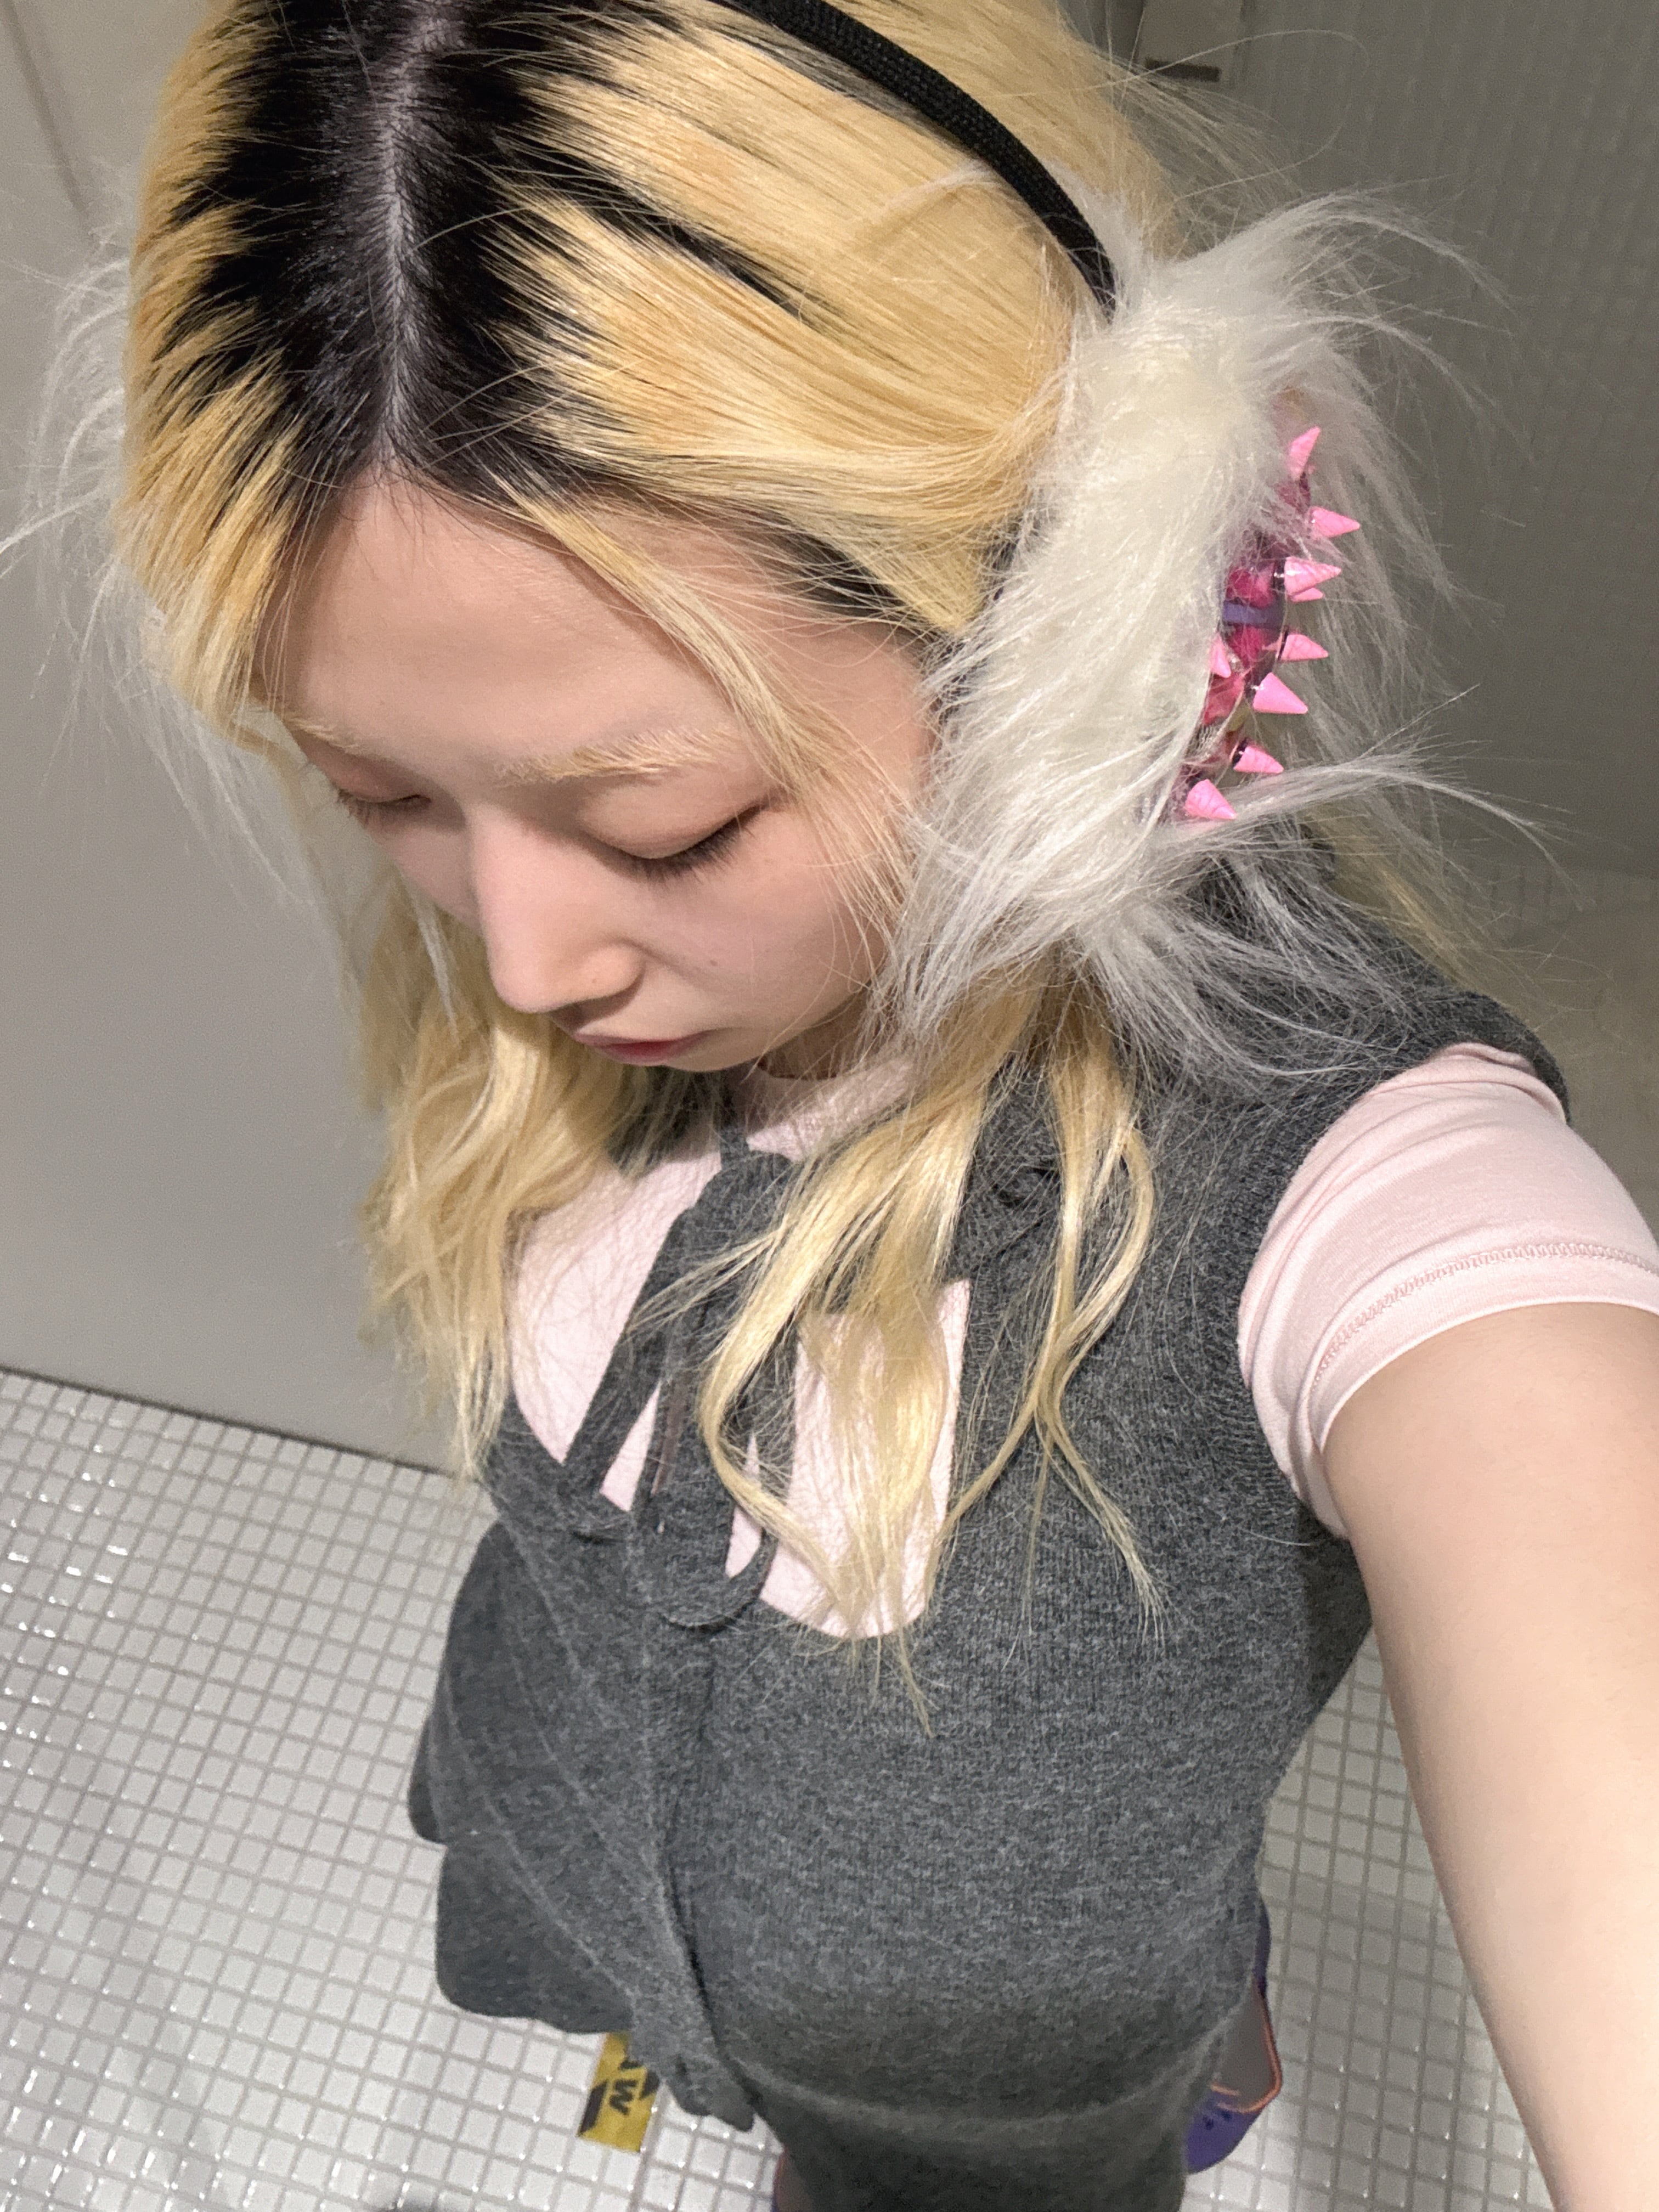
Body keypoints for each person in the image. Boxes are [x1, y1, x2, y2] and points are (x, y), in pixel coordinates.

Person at [109, 2, 1659, 2207]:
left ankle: (1209, 2026)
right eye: (390, 795)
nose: (527, 966)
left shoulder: (1347, 1180)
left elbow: (1544, 1466)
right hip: (621, 1869)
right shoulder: (594, 992)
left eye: (664, 828)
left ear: (1062, 644)